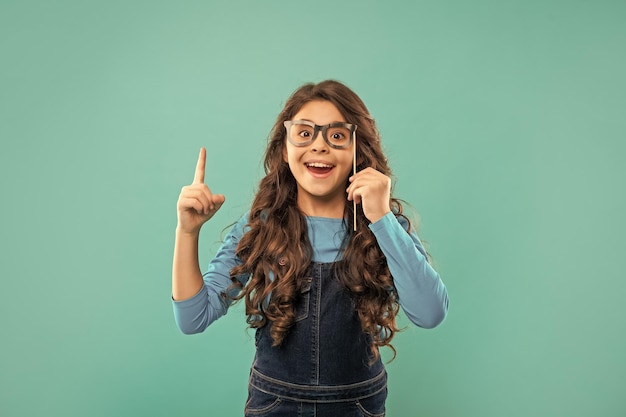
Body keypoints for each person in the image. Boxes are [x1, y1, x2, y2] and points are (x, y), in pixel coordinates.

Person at [172, 80, 449, 416]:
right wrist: (187, 232)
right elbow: (192, 318)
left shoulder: (385, 226)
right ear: (284, 150)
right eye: (304, 133)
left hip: (358, 405)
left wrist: (381, 217)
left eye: (336, 135)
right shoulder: (260, 226)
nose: (319, 146)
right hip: (275, 404)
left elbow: (431, 313)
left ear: (357, 151)